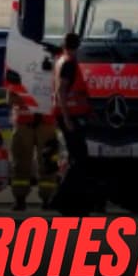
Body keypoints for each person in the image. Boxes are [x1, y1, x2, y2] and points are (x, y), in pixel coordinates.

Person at [51, 33, 95, 214]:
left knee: (77, 158)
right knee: (79, 159)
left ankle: (72, 203)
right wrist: (68, 119)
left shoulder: (62, 60)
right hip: (71, 117)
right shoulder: (69, 63)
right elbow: (62, 91)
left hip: (70, 115)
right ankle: (62, 200)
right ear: (78, 46)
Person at [9, 92, 58, 212]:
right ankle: (20, 199)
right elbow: (11, 99)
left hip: (46, 122)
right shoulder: (17, 74)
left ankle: (48, 198)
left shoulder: (53, 73)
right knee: (20, 163)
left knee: (48, 163)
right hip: (25, 121)